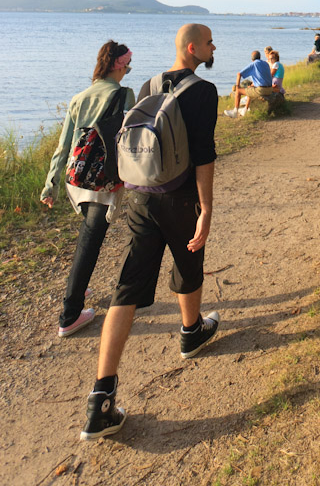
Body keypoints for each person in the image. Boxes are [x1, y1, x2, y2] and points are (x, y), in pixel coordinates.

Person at [79, 23, 219, 441]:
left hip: (141, 197)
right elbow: (203, 155)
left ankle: (101, 399)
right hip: (179, 198)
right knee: (189, 260)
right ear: (192, 48)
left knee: (128, 287)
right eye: (209, 42)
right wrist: (206, 209)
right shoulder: (203, 92)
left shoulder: (148, 85)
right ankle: (190, 333)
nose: (214, 47)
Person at [41, 41, 136, 337]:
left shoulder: (79, 97)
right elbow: (130, 140)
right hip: (103, 179)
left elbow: (63, 146)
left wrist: (50, 184)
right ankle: (69, 315)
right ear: (119, 66)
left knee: (88, 235)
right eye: (127, 67)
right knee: (90, 241)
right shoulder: (124, 95)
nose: (127, 72)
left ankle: (78, 288)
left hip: (76, 177)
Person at [224, 49, 272, 118]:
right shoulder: (266, 63)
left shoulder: (254, 64)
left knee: (238, 91)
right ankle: (245, 110)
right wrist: (252, 85)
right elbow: (263, 78)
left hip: (261, 90)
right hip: (269, 89)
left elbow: (239, 74)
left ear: (252, 58)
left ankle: (235, 112)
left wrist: (237, 86)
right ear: (259, 57)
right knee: (250, 89)